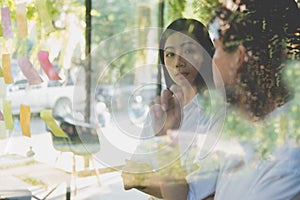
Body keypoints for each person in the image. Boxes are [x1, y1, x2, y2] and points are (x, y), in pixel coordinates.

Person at [158, 0, 300, 199]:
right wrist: (169, 134)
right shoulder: (245, 130)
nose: (211, 59)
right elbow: (184, 196)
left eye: (216, 49)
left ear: (239, 58)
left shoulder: (286, 159)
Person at [121, 18, 218, 199]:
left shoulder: (214, 114)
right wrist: (173, 186)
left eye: (188, 50)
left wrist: (147, 181)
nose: (178, 62)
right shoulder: (160, 111)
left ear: (205, 54)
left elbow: (196, 195)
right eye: (170, 54)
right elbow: (131, 172)